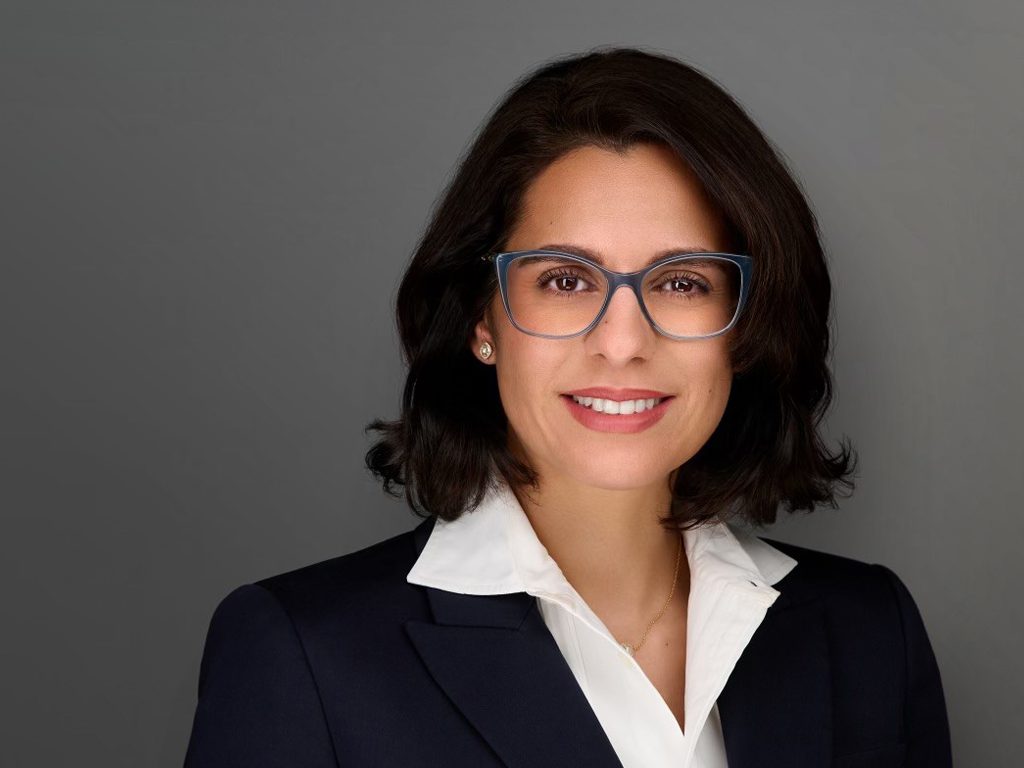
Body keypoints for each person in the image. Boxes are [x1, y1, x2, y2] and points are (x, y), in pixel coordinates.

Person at [183, 46, 952, 767]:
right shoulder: (304, 654)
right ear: (483, 322)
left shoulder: (869, 635)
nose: (622, 343)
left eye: (682, 283)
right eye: (564, 280)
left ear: (747, 329)